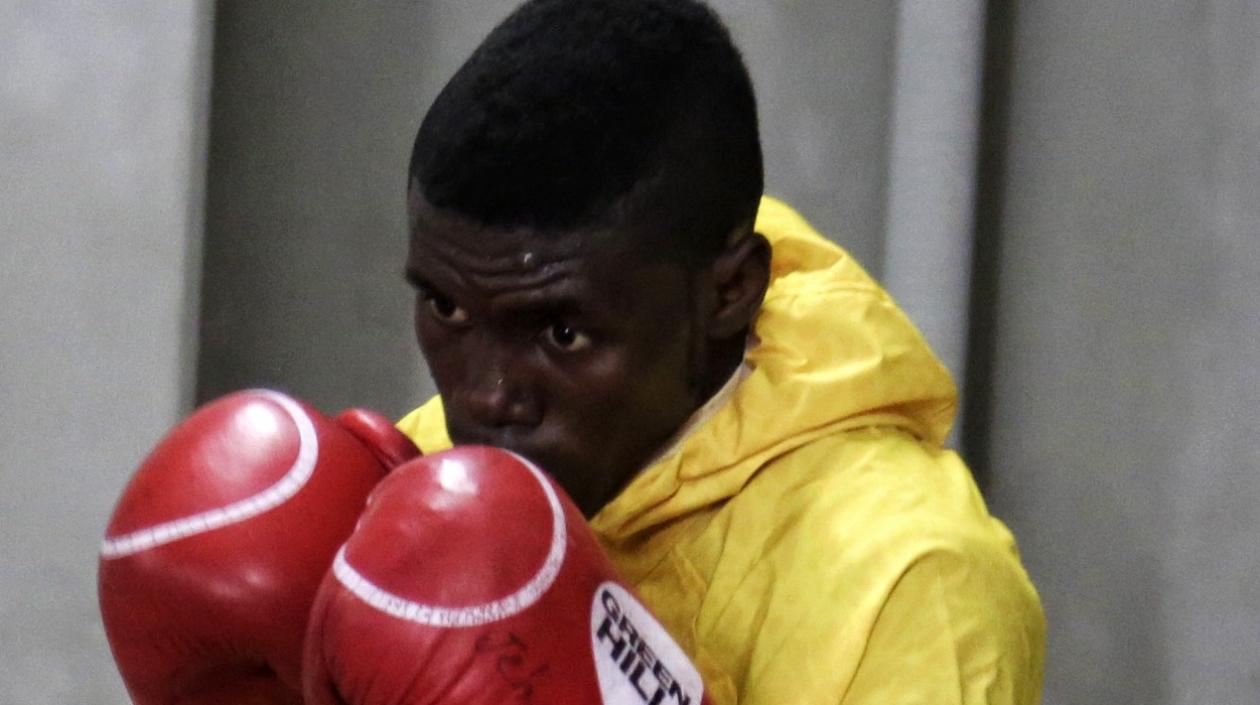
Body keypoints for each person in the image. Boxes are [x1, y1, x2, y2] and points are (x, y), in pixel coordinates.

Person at [395, 0, 1046, 703]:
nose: (485, 396)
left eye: (562, 334)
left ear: (730, 291)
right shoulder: (424, 469)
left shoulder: (905, 586)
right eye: (447, 307)